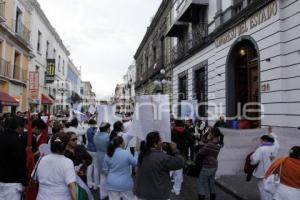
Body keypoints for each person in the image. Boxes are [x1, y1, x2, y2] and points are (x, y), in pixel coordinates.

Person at [136, 131, 185, 200]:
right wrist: (175, 149)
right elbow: (180, 163)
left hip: (142, 193)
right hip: (157, 195)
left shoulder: (142, 155)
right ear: (155, 144)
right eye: (160, 141)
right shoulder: (162, 157)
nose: (162, 143)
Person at [34, 135, 76, 200]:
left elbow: (35, 179)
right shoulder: (67, 162)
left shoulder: (42, 159)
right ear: (65, 147)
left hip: (42, 196)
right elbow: (71, 185)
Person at [0, 117, 28, 200]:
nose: (24, 129)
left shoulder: (1, 137)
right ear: (19, 127)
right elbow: (20, 163)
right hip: (13, 182)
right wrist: (24, 182)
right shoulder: (17, 141)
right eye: (23, 127)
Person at [197, 127, 223, 200]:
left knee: (200, 184)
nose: (209, 133)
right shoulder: (218, 142)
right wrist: (207, 134)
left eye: (210, 132)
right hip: (214, 165)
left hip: (207, 166)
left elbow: (200, 151)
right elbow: (204, 140)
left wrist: (201, 145)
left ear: (213, 134)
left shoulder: (210, 145)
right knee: (211, 182)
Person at [251, 135, 278, 200]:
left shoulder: (261, 149)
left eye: (261, 140)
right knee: (272, 189)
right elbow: (276, 140)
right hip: (274, 173)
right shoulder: (276, 147)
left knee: (263, 189)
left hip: (263, 173)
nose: (260, 142)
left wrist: (251, 158)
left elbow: (254, 160)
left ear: (265, 140)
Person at [94, 122, 111, 200]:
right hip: (106, 156)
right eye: (109, 128)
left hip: (98, 155)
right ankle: (109, 193)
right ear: (107, 129)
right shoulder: (108, 137)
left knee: (101, 175)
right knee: (108, 175)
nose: (110, 129)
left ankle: (102, 194)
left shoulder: (96, 135)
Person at [86, 119, 99, 189]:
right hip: (96, 150)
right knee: (96, 168)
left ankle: (89, 184)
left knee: (89, 167)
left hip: (88, 149)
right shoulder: (97, 130)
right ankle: (96, 185)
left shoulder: (87, 130)